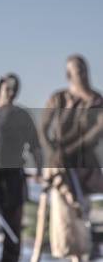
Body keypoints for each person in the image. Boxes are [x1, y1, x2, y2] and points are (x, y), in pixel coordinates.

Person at [40, 55, 103, 261]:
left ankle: (84, 253)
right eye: (78, 71)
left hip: (83, 166)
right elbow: (42, 129)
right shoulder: (57, 99)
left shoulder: (96, 100)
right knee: (63, 215)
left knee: (81, 211)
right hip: (59, 166)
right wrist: (53, 153)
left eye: (84, 70)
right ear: (69, 74)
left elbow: (96, 132)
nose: (82, 75)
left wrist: (69, 152)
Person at [0, 73, 42, 262]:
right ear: (0, 89)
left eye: (15, 89)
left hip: (13, 176)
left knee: (12, 223)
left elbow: (35, 147)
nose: (12, 93)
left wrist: (39, 170)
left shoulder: (22, 116)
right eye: (8, 88)